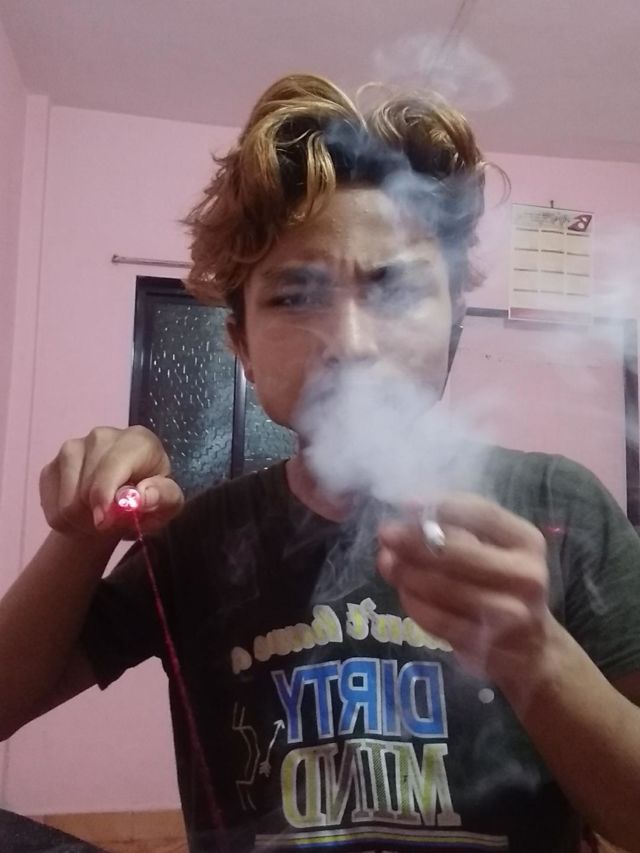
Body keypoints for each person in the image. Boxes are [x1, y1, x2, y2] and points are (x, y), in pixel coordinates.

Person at [1, 73, 640, 853]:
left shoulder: (560, 504)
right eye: (294, 297)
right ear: (240, 345)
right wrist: (81, 533)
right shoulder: (200, 540)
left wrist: (537, 654)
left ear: (455, 322)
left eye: (394, 289)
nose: (351, 343)